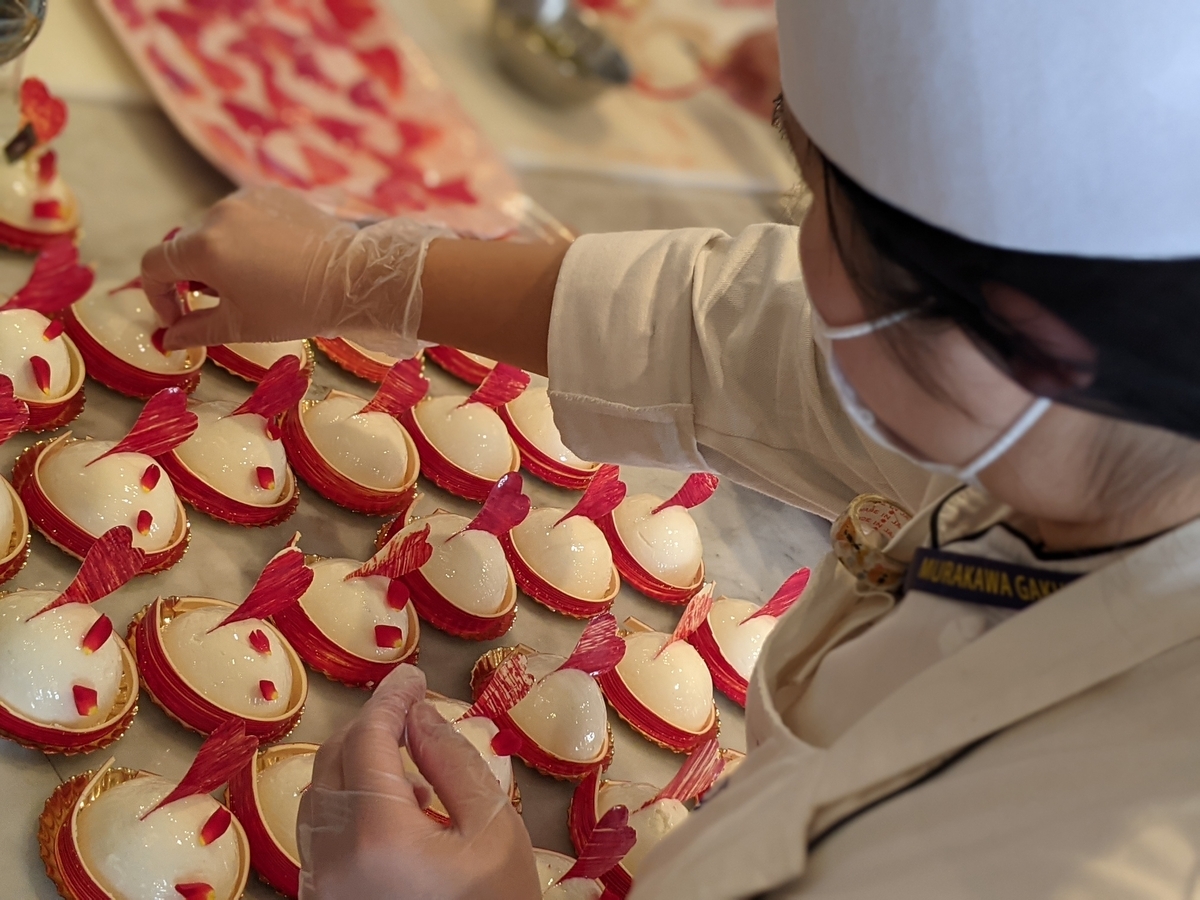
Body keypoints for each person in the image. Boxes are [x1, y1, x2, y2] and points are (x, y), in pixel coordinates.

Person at [141, 2, 1200, 897]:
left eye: (809, 200)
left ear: (1025, 336)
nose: (793, 249)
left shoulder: (1107, 849)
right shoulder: (1110, 434)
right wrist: (368, 279)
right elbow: (774, 338)